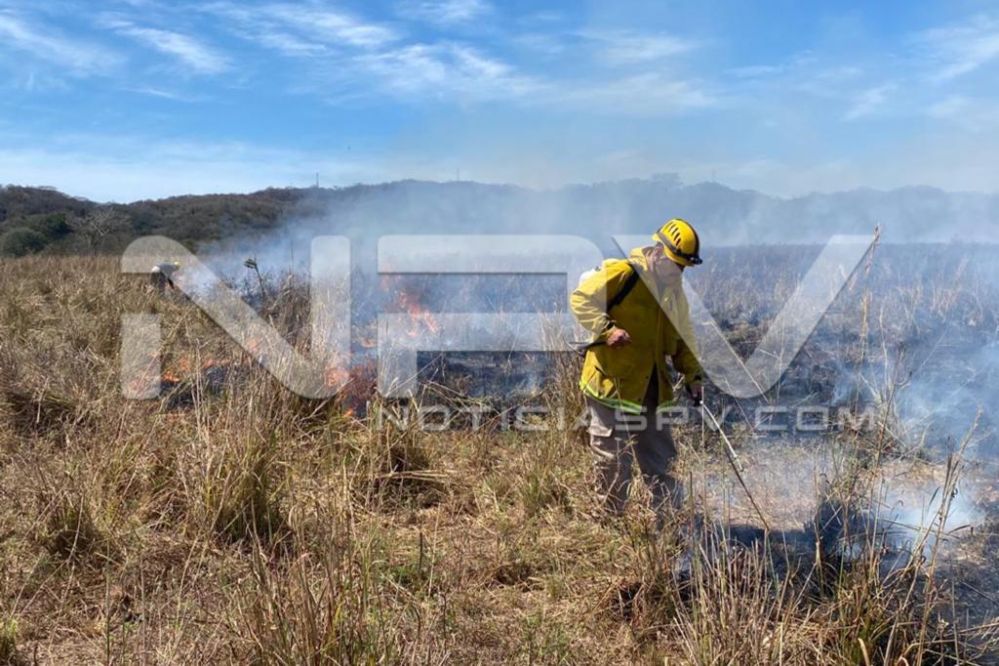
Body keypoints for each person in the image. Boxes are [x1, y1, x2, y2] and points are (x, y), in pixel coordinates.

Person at [570, 218, 705, 524]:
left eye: (683, 267)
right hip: (611, 384)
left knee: (662, 460)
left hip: (650, 388)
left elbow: (683, 337)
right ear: (657, 252)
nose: (678, 272)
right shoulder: (624, 273)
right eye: (675, 264)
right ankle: (609, 525)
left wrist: (693, 376)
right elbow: (580, 299)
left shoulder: (674, 292)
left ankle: (670, 524)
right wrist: (607, 330)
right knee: (613, 462)